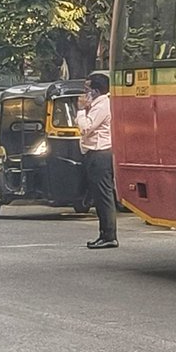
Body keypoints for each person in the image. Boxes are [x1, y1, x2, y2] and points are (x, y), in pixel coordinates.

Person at [76, 73, 117, 248]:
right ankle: (105, 234)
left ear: (96, 90)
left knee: (103, 196)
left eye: (87, 89)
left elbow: (86, 128)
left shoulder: (102, 105)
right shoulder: (97, 105)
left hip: (100, 153)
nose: (85, 93)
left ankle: (109, 235)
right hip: (94, 153)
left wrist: (79, 109)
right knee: (99, 197)